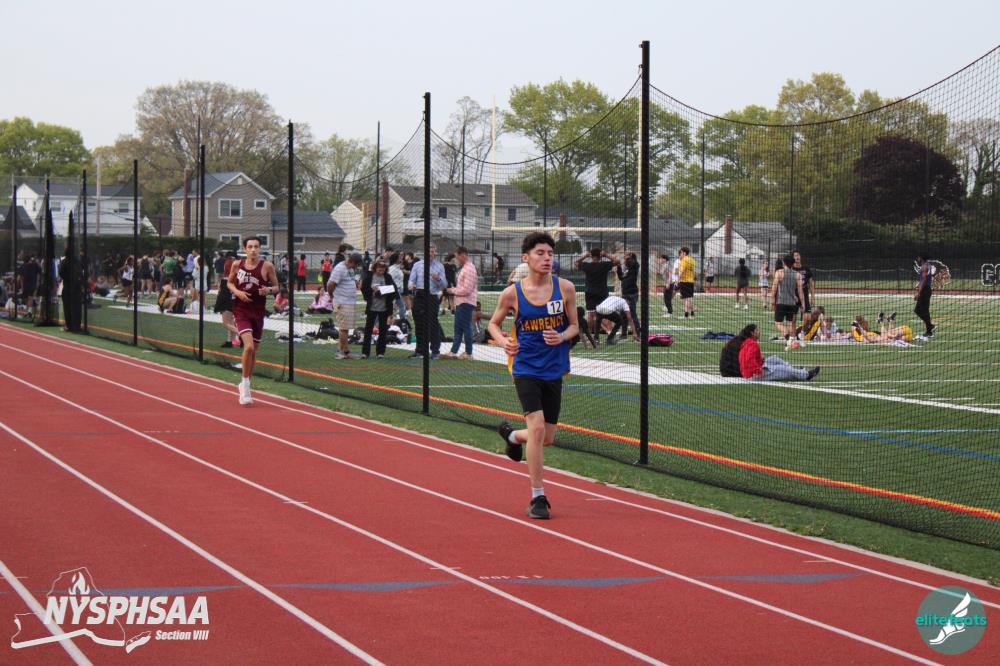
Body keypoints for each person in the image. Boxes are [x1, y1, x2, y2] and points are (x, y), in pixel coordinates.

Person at [490, 232, 580, 520]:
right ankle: (538, 497)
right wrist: (503, 341)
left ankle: (513, 436)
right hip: (525, 367)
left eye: (550, 253)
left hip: (554, 368)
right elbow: (493, 324)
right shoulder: (512, 293)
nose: (547, 258)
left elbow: (575, 327)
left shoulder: (565, 288)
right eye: (540, 253)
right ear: (525, 258)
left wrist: (562, 336)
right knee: (538, 428)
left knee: (546, 437)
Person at [228, 235, 280, 405]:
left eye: (256, 247)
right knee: (248, 346)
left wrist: (269, 290)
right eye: (250, 247)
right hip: (241, 310)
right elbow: (229, 283)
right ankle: (245, 385)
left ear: (260, 248)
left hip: (257, 312)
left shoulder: (267, 266)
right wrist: (238, 293)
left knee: (253, 351)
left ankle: (246, 382)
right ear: (245, 249)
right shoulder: (237, 265)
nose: (253, 250)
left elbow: (277, 287)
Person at [720, 323, 820, 381]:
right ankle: (806, 375)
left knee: (774, 359)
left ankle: (798, 371)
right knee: (781, 369)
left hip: (750, 371)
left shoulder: (746, 342)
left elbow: (745, 358)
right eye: (757, 330)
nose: (759, 332)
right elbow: (748, 360)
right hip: (751, 374)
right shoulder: (751, 344)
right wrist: (758, 370)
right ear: (752, 333)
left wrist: (760, 362)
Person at [407, 244, 447, 359]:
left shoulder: (439, 266)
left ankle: (435, 351)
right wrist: (411, 286)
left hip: (432, 296)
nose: (431, 254)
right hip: (419, 295)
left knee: (433, 324)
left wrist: (438, 279)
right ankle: (420, 350)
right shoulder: (417, 265)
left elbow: (444, 285)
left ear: (435, 253)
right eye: (429, 251)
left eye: (433, 251)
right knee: (419, 324)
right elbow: (410, 281)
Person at [442, 246, 478, 359]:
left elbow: (467, 290)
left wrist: (451, 290)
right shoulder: (466, 268)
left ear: (463, 255)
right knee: (458, 327)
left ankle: (468, 353)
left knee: (465, 327)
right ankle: (454, 351)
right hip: (461, 302)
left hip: (465, 302)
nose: (457, 260)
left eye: (457, 257)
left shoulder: (469, 269)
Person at [575, 247, 618, 338]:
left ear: (591, 256)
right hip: (602, 292)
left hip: (590, 292)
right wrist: (606, 255)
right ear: (600, 256)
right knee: (605, 313)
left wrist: (585, 256)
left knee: (590, 314)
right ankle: (609, 332)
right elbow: (617, 262)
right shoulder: (604, 265)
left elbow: (576, 263)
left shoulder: (587, 265)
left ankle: (589, 334)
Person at [327, 252, 362, 360]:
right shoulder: (340, 268)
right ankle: (344, 352)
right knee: (344, 328)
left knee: (345, 328)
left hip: (349, 302)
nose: (356, 267)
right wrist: (332, 296)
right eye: (356, 264)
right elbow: (330, 284)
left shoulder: (350, 269)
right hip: (342, 302)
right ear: (351, 261)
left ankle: (342, 350)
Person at [360, 260, 397, 359]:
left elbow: (394, 289)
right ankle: (365, 352)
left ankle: (380, 352)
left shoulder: (388, 277)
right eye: (379, 270)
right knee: (368, 330)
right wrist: (372, 292)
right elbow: (363, 289)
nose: (381, 272)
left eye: (383, 270)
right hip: (372, 307)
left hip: (384, 308)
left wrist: (382, 290)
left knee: (383, 330)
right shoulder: (369, 277)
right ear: (375, 268)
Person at [771, 254, 805, 341]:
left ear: (784, 263)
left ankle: (787, 336)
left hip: (781, 302)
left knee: (778, 323)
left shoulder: (779, 273)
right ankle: (791, 341)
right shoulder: (798, 275)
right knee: (790, 323)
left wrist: (772, 300)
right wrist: (803, 304)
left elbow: (774, 288)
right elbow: (800, 292)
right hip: (792, 303)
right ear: (793, 263)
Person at [213, 251, 239, 348]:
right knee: (231, 320)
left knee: (226, 323)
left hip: (227, 291)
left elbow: (225, 276)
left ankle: (242, 335)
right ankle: (230, 341)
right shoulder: (238, 265)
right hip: (232, 294)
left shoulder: (229, 263)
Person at [616, 252, 640, 336]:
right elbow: (620, 277)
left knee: (632, 313)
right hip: (625, 293)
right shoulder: (627, 270)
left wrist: (629, 257)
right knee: (623, 314)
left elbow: (633, 263)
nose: (625, 260)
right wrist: (618, 266)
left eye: (626, 258)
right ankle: (624, 333)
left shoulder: (634, 266)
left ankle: (637, 331)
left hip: (632, 294)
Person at [914, 253, 936, 338]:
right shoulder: (926, 265)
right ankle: (930, 326)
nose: (917, 258)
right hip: (925, 289)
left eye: (918, 257)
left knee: (924, 310)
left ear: (921, 258)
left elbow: (923, 280)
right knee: (917, 310)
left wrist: (918, 292)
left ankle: (929, 331)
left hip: (925, 290)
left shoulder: (924, 266)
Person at [790, 250, 815, 321]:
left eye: (798, 255)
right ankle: (793, 330)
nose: (797, 257)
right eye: (795, 256)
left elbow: (811, 284)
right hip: (793, 297)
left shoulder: (806, 269)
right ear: (793, 258)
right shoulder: (791, 270)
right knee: (793, 319)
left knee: (808, 319)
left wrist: (813, 297)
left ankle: (802, 329)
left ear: (800, 256)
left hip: (805, 297)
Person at [387, 252, 408, 320]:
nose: (401, 258)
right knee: (402, 306)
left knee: (393, 307)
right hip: (394, 290)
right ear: (395, 259)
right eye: (399, 257)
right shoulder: (392, 269)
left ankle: (396, 320)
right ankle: (402, 320)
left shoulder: (398, 268)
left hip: (398, 290)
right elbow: (389, 279)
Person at [676, 247, 696, 318]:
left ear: (684, 253)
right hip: (691, 281)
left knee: (686, 298)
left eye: (681, 252)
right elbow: (693, 271)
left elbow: (682, 271)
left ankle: (686, 315)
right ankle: (692, 314)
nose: (680, 254)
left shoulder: (684, 260)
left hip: (684, 281)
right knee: (690, 297)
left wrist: (677, 280)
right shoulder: (692, 260)